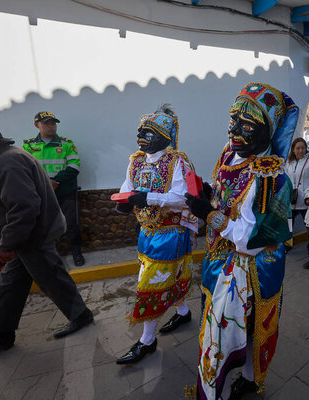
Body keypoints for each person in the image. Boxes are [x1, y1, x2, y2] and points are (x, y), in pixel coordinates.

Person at [184, 82, 298, 399]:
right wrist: (209, 195)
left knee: (248, 328)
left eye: (247, 124)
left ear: (269, 131)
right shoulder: (230, 153)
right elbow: (225, 193)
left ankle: (247, 378)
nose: (234, 130)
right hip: (220, 259)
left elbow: (252, 239)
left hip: (252, 268)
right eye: (233, 119)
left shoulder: (271, 177)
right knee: (222, 326)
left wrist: (208, 213)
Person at [0, 119, 93, 352]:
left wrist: (7, 244)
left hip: (32, 237)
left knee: (52, 278)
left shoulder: (7, 163)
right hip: (25, 238)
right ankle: (2, 333)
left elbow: (24, 208)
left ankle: (81, 315)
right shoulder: (2, 158)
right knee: (11, 283)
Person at [114, 106, 198, 365]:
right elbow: (126, 187)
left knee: (151, 284)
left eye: (149, 132)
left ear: (164, 136)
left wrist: (147, 198)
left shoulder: (177, 162)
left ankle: (147, 341)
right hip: (147, 231)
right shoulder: (136, 160)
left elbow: (183, 198)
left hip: (170, 233)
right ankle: (183, 312)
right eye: (140, 131)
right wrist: (125, 200)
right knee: (170, 275)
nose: (141, 135)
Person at [23, 112, 85, 266]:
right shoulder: (29, 145)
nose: (51, 127)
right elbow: (25, 170)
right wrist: (46, 183)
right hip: (41, 193)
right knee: (44, 226)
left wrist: (55, 181)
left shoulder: (66, 144)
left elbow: (74, 167)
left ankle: (76, 252)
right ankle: (50, 256)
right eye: (46, 123)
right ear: (37, 125)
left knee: (72, 224)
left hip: (65, 191)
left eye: (53, 123)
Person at [284, 137, 309, 251]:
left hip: (305, 200)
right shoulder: (289, 162)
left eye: (302, 148)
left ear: (306, 149)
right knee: (288, 225)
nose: (300, 150)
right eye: (297, 148)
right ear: (293, 149)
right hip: (292, 199)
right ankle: (287, 246)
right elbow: (286, 179)